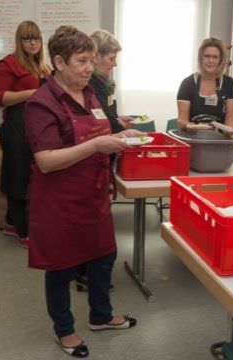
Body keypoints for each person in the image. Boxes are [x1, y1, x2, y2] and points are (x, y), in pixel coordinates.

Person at [23, 26, 139, 358]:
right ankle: (65, 330)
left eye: (91, 60)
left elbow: (101, 130)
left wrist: (119, 137)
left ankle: (101, 316)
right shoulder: (41, 104)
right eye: (82, 61)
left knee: (104, 258)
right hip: (59, 202)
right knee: (61, 268)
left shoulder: (88, 95)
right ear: (59, 62)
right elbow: (45, 161)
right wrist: (96, 145)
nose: (90, 68)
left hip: (93, 194)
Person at [75, 29, 131, 292]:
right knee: (89, 217)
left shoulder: (103, 83)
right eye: (111, 58)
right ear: (96, 58)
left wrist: (118, 123)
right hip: (92, 156)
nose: (115, 63)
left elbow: (106, 116)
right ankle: (84, 271)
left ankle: (87, 269)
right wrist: (116, 127)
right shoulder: (90, 86)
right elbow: (97, 122)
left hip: (102, 153)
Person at [0, 20, 51, 247]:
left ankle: (10, 224)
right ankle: (24, 233)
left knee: (28, 174)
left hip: (34, 126)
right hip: (16, 127)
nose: (33, 43)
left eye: (36, 38)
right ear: (20, 41)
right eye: (27, 38)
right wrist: (32, 93)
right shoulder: (8, 64)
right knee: (18, 179)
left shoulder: (41, 66)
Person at [177, 37, 233, 133]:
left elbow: (231, 117)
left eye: (215, 57)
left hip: (219, 140)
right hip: (192, 139)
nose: (210, 61)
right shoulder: (188, 83)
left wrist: (229, 130)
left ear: (221, 60)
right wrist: (190, 126)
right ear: (200, 58)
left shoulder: (229, 84)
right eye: (207, 56)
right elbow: (182, 119)